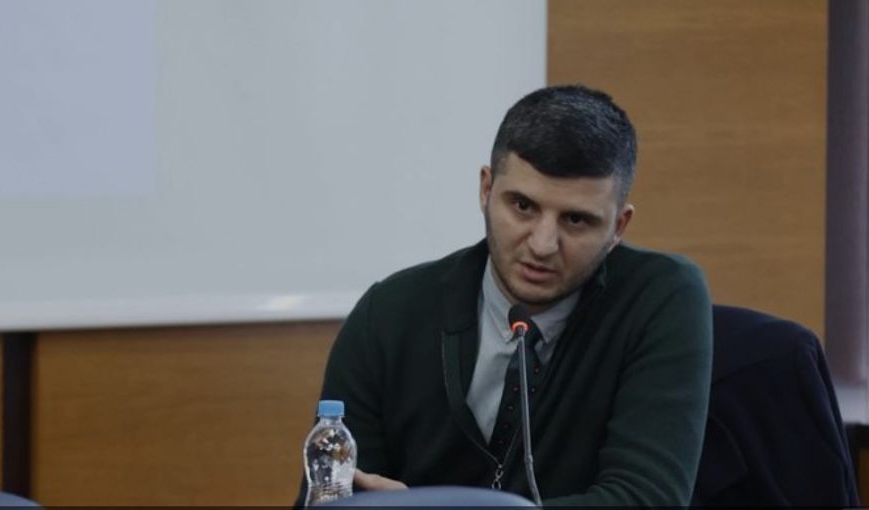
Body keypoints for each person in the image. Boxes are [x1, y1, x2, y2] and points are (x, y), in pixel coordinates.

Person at [296, 84, 713, 506]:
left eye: (575, 220)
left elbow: (646, 500)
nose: (543, 245)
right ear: (486, 190)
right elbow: (330, 497)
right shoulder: (388, 315)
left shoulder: (659, 298)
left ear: (618, 227)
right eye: (523, 206)